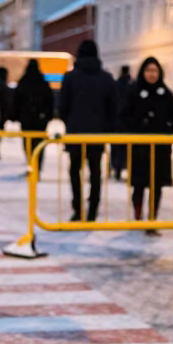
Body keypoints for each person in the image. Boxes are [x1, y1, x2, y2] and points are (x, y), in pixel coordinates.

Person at [58, 38, 116, 221]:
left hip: (75, 132)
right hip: (97, 134)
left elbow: (62, 107)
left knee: (75, 170)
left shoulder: (70, 78)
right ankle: (93, 210)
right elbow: (113, 108)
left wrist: (69, 122)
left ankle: (78, 208)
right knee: (95, 171)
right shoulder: (106, 79)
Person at [121, 57, 173, 234]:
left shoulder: (165, 93)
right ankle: (138, 217)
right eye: (148, 70)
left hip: (160, 148)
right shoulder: (133, 91)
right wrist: (136, 129)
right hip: (140, 147)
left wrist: (167, 130)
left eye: (155, 70)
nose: (151, 74)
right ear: (142, 72)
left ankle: (152, 219)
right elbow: (123, 115)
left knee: (156, 185)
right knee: (139, 184)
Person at [12, 57, 54, 175]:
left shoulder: (23, 82)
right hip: (41, 120)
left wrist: (16, 116)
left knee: (28, 144)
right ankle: (38, 166)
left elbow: (16, 101)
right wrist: (48, 116)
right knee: (40, 144)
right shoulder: (43, 82)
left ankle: (30, 165)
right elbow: (50, 101)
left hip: (26, 119)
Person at [110, 66, 132, 179]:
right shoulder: (132, 86)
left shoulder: (116, 84)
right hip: (128, 123)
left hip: (116, 122)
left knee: (116, 148)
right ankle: (127, 169)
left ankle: (116, 169)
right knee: (127, 148)